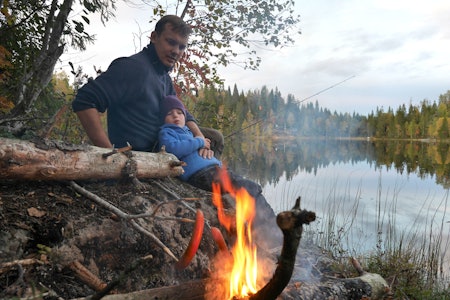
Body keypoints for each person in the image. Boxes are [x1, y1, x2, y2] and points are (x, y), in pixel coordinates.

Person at [72, 15, 223, 157]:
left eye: (182, 47)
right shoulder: (133, 67)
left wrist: (199, 136)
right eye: (171, 42)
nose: (176, 51)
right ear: (154, 37)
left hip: (168, 139)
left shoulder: (163, 77)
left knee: (214, 138)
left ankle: (208, 169)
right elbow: (85, 100)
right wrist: (109, 154)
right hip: (143, 153)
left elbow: (183, 113)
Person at [159, 95, 282, 249]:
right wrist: (199, 141)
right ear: (163, 119)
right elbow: (173, 149)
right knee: (248, 187)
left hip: (215, 170)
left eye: (179, 112)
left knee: (248, 188)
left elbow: (197, 145)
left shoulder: (186, 132)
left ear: (185, 115)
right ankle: (274, 239)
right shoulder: (167, 133)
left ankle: (273, 234)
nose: (175, 116)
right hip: (202, 174)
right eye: (170, 114)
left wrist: (203, 145)